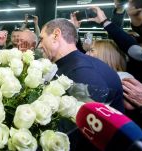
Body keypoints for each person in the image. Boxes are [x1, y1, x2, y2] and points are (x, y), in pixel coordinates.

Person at [40, 18, 124, 151]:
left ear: (56, 35)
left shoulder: (82, 72)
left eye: (42, 38)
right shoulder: (77, 64)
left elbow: (76, 133)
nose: (39, 45)